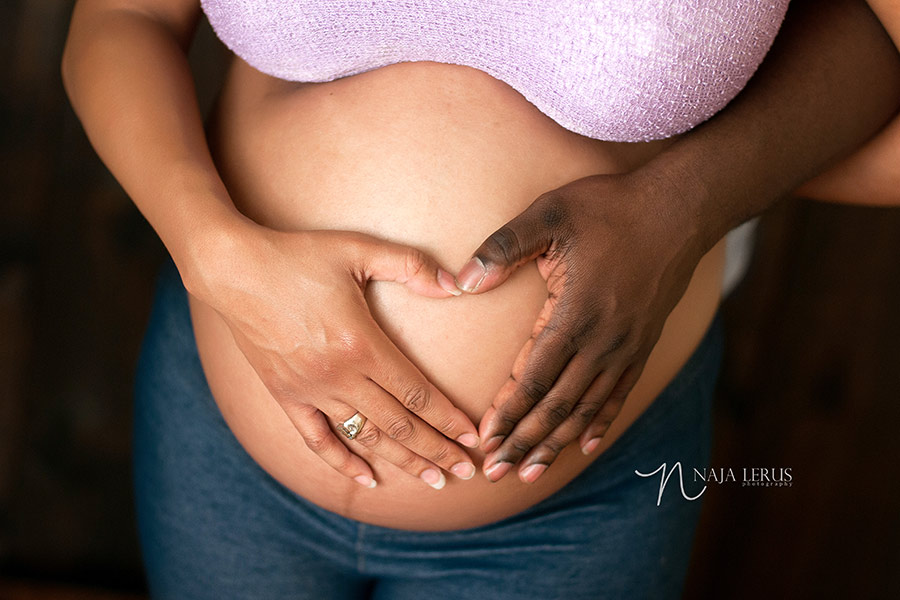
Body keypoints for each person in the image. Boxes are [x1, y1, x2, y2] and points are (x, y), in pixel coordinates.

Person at [61, 0, 900, 597]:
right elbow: (119, 21)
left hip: (576, 503)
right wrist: (216, 254)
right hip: (226, 439)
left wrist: (685, 204)